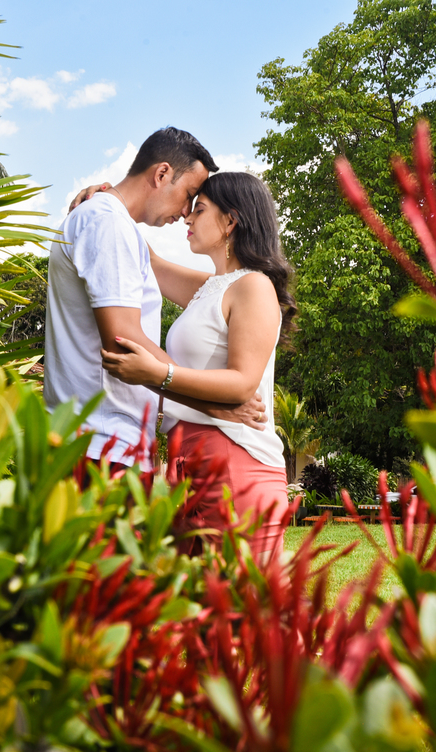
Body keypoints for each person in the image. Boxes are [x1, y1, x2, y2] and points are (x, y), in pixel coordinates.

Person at [97, 171, 297, 561]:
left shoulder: (253, 286)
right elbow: (147, 260)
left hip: (235, 462)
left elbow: (242, 384)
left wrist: (159, 375)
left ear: (230, 221)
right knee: (197, 613)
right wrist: (107, 199)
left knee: (237, 613)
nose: (187, 218)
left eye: (199, 209)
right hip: (192, 463)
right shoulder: (212, 287)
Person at [43, 128, 267, 473]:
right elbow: (123, 343)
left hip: (106, 443)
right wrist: (217, 407)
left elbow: (204, 283)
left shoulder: (114, 225)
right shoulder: (107, 224)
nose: (186, 213)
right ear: (162, 173)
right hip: (101, 444)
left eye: (198, 206)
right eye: (189, 195)